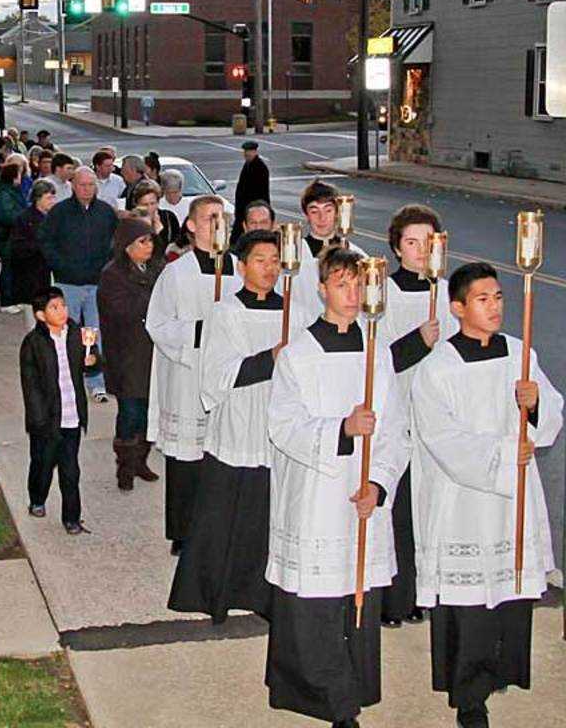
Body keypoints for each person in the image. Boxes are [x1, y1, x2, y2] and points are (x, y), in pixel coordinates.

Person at [410, 262, 564, 728]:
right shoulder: (437, 369)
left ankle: (502, 672)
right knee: (471, 603)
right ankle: (470, 698)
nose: (494, 306)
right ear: (457, 308)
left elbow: (552, 412)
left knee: (509, 592)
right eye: (482, 299)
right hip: (465, 503)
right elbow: (442, 439)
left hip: (513, 497)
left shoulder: (520, 353)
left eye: (498, 297)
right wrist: (502, 452)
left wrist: (535, 404)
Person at [265, 245, 409, 728]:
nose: (352, 293)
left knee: (357, 601)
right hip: (316, 499)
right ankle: (332, 701)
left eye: (359, 285)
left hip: (363, 499)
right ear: (322, 288)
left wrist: (379, 485)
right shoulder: (299, 355)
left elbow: (395, 431)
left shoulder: (377, 353)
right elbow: (283, 427)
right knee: (318, 605)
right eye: (342, 284)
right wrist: (342, 430)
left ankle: (354, 688)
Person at [169, 229, 303, 624]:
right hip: (238, 423)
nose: (269, 268)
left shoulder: (293, 312)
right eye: (260, 260)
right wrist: (270, 358)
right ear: (242, 267)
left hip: (279, 425)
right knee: (225, 515)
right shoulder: (224, 312)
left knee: (270, 516)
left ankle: (266, 595)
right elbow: (215, 374)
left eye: (275, 260)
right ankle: (217, 594)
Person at [377, 204, 459, 628]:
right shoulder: (383, 294)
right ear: (397, 247)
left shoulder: (448, 296)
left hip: (440, 419)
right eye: (412, 242)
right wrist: (416, 343)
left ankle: (433, 593)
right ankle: (397, 597)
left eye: (429, 242)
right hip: (400, 414)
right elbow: (370, 363)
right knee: (402, 509)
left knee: (437, 509)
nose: (420, 250)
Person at [146, 195, 242, 556]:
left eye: (223, 218)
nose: (218, 224)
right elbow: (158, 324)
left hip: (230, 377)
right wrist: (202, 332)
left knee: (224, 458)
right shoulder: (177, 272)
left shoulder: (239, 267)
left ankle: (218, 528)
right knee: (188, 461)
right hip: (188, 378)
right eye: (210, 217)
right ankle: (184, 532)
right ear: (191, 225)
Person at [19, 287, 96, 535]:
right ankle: (37, 498)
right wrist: (40, 422)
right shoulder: (33, 344)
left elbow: (92, 362)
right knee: (42, 465)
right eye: (54, 308)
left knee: (70, 471)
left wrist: (92, 360)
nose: (62, 311)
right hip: (47, 421)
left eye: (63, 306)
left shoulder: (76, 333)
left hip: (72, 417)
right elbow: (30, 388)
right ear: (41, 315)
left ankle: (72, 518)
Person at [38, 166, 118, 403]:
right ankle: (67, 380)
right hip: (68, 284)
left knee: (94, 334)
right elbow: (45, 241)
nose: (86, 189)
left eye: (91, 185)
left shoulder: (105, 213)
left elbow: (116, 244)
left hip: (96, 284)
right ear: (73, 185)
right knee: (65, 332)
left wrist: (105, 268)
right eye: (82, 184)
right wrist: (60, 266)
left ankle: (96, 381)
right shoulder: (60, 212)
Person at [97, 218, 164, 491]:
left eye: (150, 240)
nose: (149, 246)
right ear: (127, 246)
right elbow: (120, 311)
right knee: (130, 412)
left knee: (149, 412)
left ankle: (140, 460)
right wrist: (152, 300)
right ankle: (125, 465)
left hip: (153, 353)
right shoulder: (113, 274)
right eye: (142, 241)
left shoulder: (157, 269)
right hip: (126, 354)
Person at [293, 180, 366, 326]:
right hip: (301, 330)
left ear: (337, 213)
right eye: (314, 211)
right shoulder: (294, 255)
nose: (322, 218)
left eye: (328, 210)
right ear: (306, 214)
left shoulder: (357, 255)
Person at [11, 180, 57, 328]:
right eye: (49, 198)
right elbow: (18, 247)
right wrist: (41, 246)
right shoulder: (24, 219)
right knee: (33, 318)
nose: (53, 201)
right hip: (31, 274)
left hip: (49, 273)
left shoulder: (54, 218)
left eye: (53, 197)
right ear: (38, 198)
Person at [0, 162, 29, 313]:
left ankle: (14, 297)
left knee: (14, 267)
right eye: (19, 174)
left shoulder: (11, 190)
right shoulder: (4, 193)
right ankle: (6, 301)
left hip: (13, 235)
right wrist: (24, 218)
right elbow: (6, 216)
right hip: (7, 235)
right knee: (8, 268)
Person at [230, 140, 270, 245]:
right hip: (243, 210)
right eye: (245, 152)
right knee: (238, 237)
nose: (247, 154)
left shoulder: (260, 168)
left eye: (249, 152)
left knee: (248, 237)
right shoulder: (247, 165)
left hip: (252, 209)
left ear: (255, 152)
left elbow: (261, 192)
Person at [132, 179, 180, 257]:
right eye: (145, 204)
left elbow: (177, 245)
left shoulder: (169, 217)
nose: (149, 208)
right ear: (137, 204)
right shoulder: (131, 223)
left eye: (152, 203)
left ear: (158, 202)